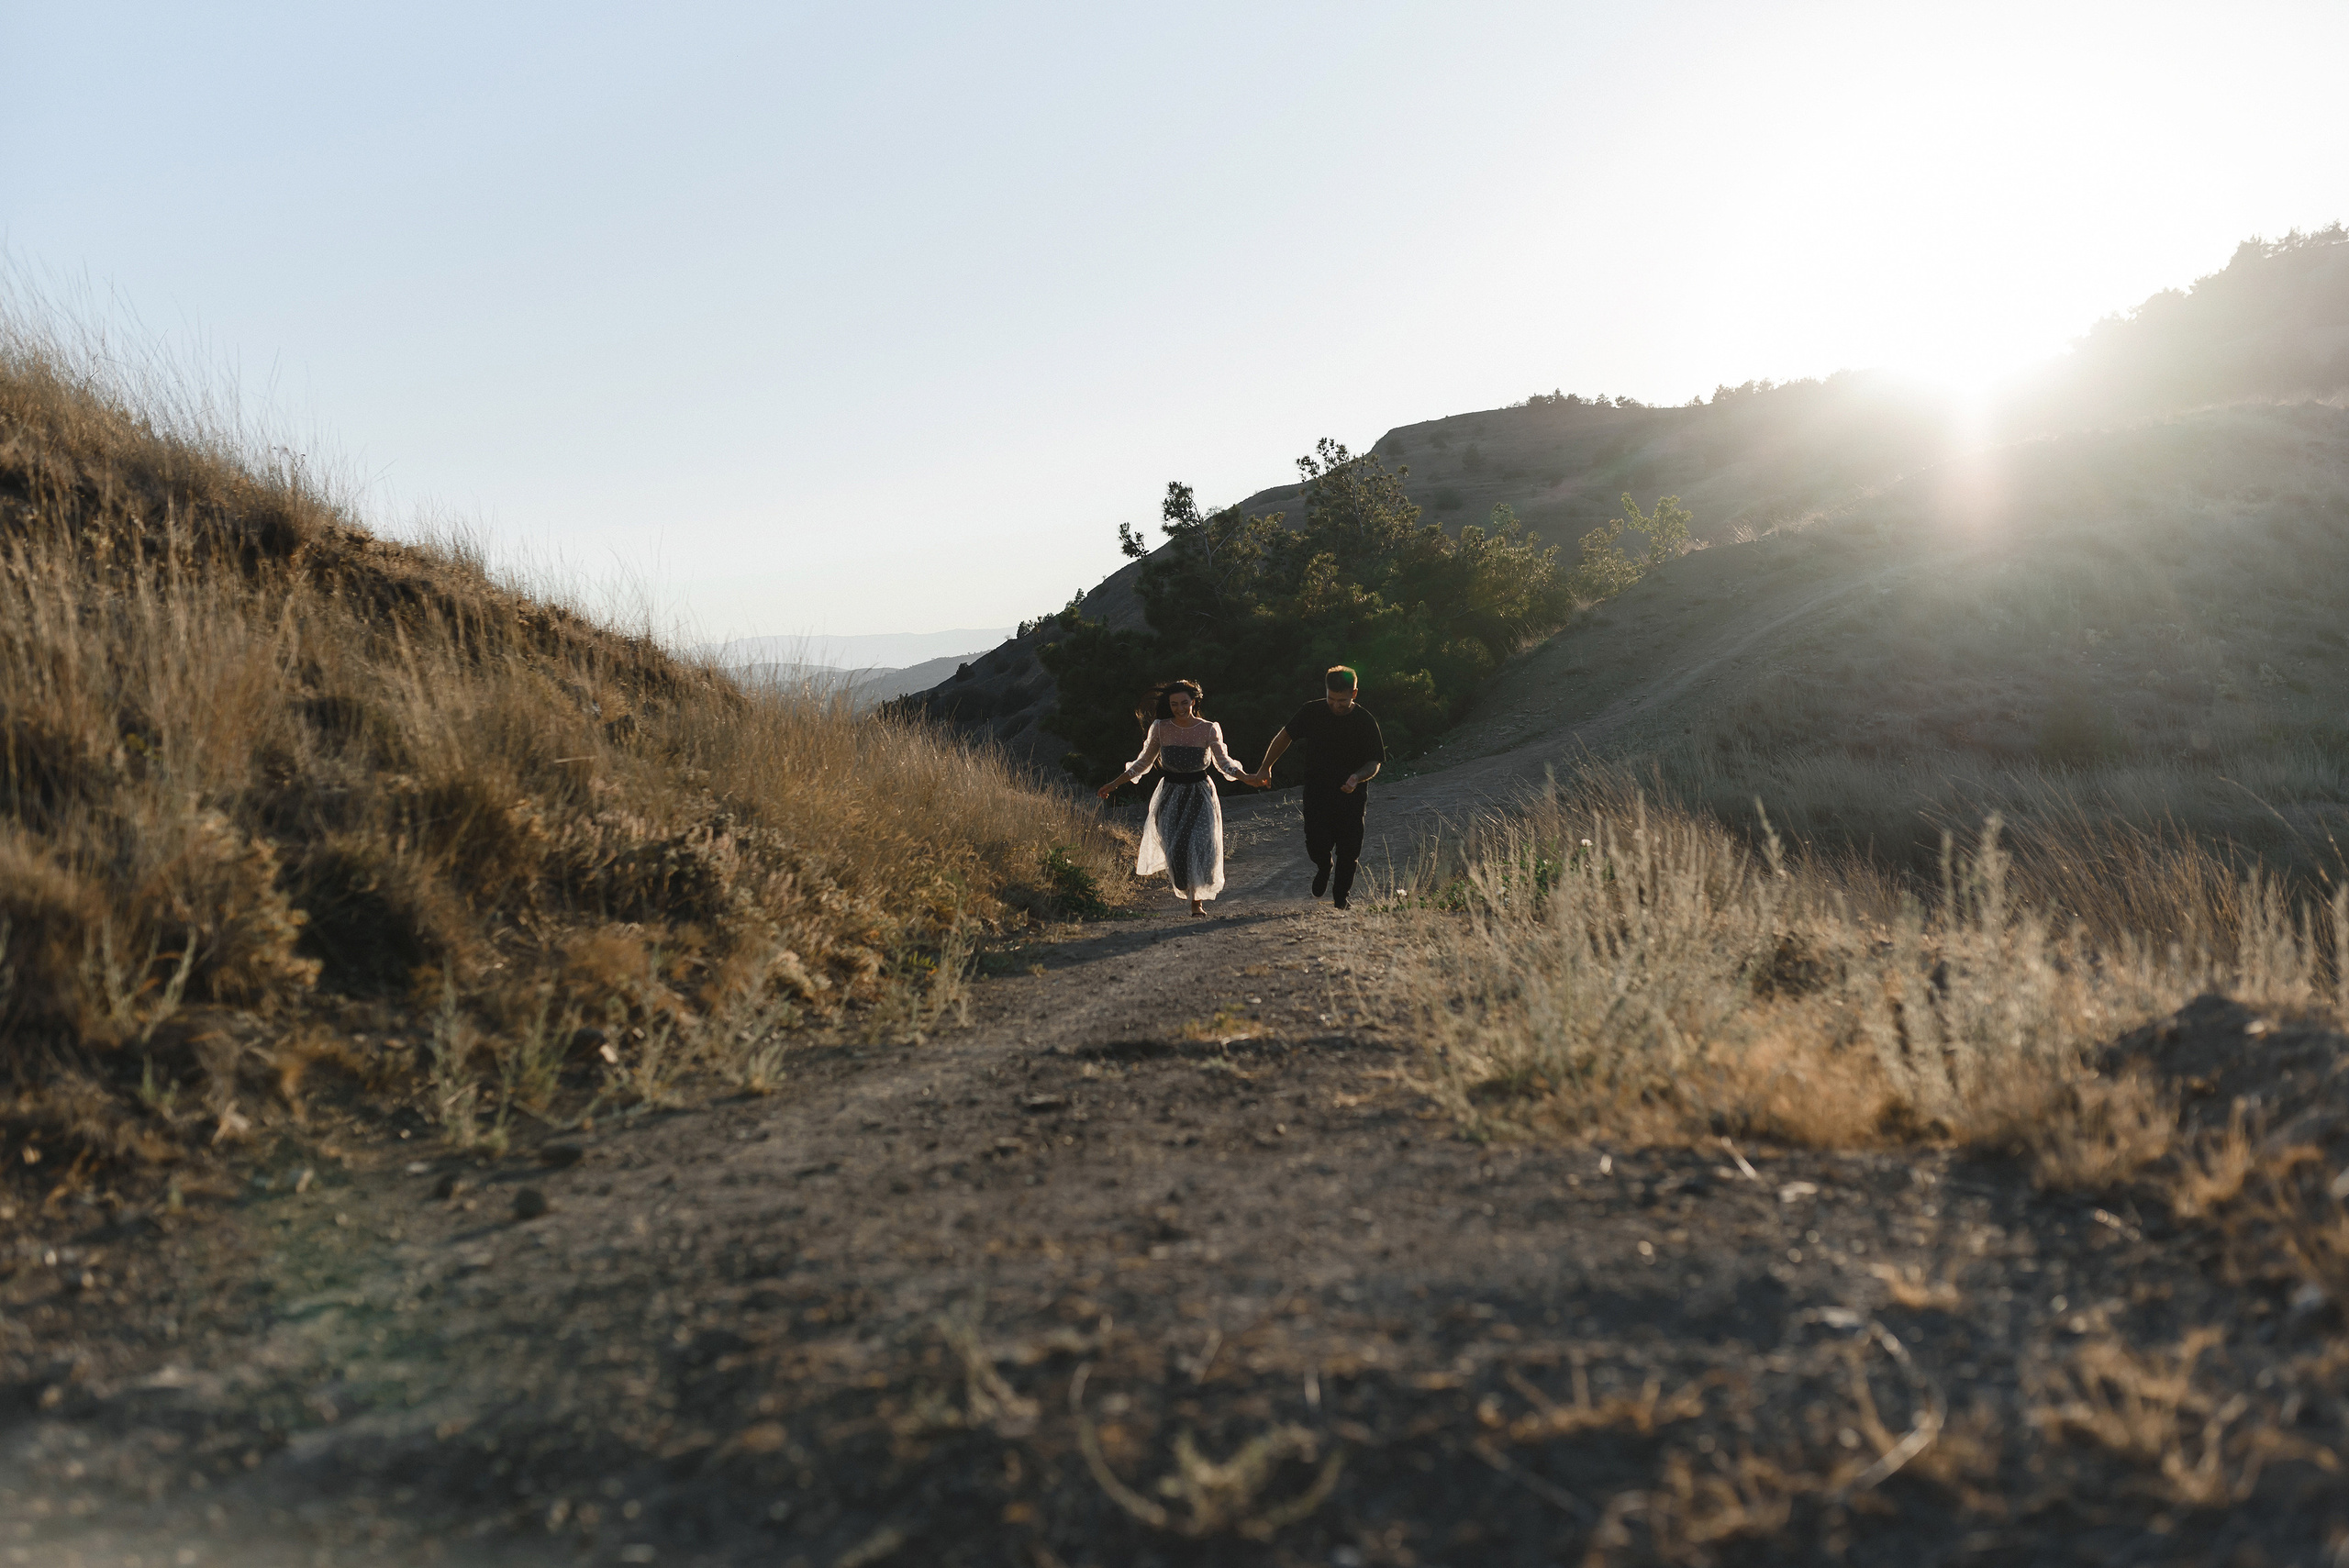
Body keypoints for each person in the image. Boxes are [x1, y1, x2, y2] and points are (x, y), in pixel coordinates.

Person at [1097, 679, 1254, 917]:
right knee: (1177, 849)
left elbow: (1223, 762)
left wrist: (1245, 777)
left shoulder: (1208, 728)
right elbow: (1143, 763)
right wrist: (1114, 783)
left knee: (1201, 845)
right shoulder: (1161, 727)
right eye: (1174, 704)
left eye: (1184, 703)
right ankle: (1184, 886)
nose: (1180, 708)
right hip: (1170, 794)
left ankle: (1196, 903)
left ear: (1194, 702)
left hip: (1201, 793)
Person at [1248, 666, 1384, 909]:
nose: (1335, 705)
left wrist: (1357, 778)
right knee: (1316, 844)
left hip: (1351, 794)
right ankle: (1323, 866)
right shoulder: (1312, 711)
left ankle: (1341, 897)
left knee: (1349, 849)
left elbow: (1374, 762)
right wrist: (1266, 766)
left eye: (1341, 701)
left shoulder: (1365, 721)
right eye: (1331, 698)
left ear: (1354, 693)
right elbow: (1284, 736)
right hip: (1317, 792)